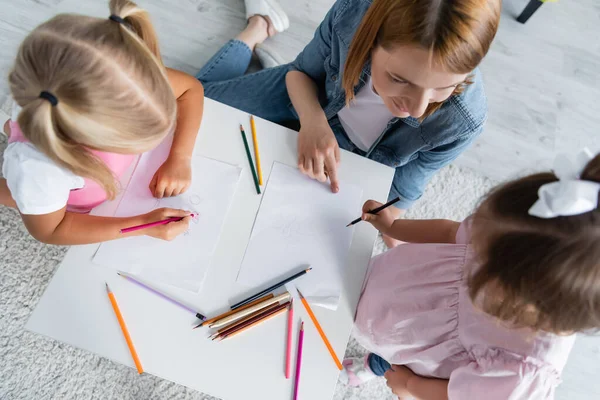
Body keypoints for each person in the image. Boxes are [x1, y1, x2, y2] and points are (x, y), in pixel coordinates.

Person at [197, 0, 501, 247]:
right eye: (399, 79)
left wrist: (389, 235)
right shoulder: (353, 14)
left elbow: (400, 194)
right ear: (372, 41)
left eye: (445, 88)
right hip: (309, 93)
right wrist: (313, 122)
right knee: (192, 103)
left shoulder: (464, 121)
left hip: (354, 156)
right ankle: (259, 26)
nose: (417, 108)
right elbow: (301, 73)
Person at [340, 149, 600, 400]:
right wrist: (394, 226)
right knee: (384, 346)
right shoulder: (515, 232)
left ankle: (374, 365)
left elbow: (460, 395)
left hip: (413, 357)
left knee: (394, 362)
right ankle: (378, 359)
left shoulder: (524, 369)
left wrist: (409, 384)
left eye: (485, 258)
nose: (475, 249)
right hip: (388, 286)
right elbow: (448, 232)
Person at [0, 0, 205, 245]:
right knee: (28, 193)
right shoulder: (38, 169)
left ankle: (13, 131)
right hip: (58, 189)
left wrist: (180, 156)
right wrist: (140, 225)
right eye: (136, 143)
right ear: (95, 138)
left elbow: (190, 89)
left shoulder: (123, 78)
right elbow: (51, 230)